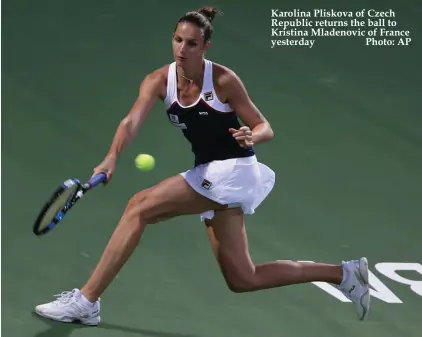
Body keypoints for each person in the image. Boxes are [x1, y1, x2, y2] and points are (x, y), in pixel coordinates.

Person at [34, 6, 370, 325]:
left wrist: (252, 136)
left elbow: (264, 125)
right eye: (178, 40)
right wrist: (112, 156)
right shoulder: (158, 80)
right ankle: (344, 273)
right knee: (243, 277)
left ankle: (86, 301)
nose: (181, 49)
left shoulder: (223, 80)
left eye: (191, 44)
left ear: (205, 47)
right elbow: (130, 121)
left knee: (138, 207)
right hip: (209, 173)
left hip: (234, 170)